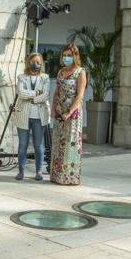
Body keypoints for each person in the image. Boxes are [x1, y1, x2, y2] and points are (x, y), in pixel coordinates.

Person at [50, 44, 87, 185]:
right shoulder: (61, 72)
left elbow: (80, 95)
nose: (66, 58)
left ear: (75, 56)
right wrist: (53, 109)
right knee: (58, 142)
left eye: (69, 55)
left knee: (69, 143)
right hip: (59, 111)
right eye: (64, 55)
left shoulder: (80, 72)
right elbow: (57, 92)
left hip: (73, 113)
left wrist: (69, 112)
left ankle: (69, 177)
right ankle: (56, 175)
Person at [12, 52, 50, 181]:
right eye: (33, 62)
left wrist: (32, 98)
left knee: (38, 145)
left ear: (41, 64)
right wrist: (36, 93)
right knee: (22, 145)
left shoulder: (45, 77)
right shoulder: (21, 77)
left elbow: (45, 95)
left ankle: (39, 171)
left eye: (38, 62)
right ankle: (21, 171)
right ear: (28, 63)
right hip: (23, 114)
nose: (36, 65)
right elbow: (21, 93)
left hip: (39, 117)